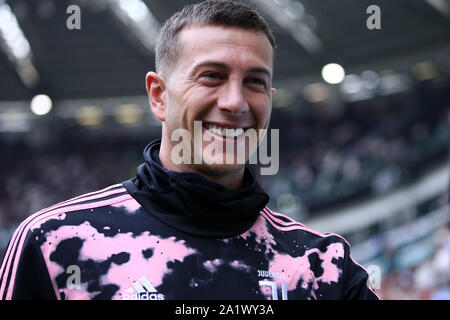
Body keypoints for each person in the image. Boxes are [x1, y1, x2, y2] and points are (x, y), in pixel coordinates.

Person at [0, 0, 379, 300]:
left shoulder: (323, 268)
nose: (235, 102)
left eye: (255, 82)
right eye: (211, 76)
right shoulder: (54, 243)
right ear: (159, 96)